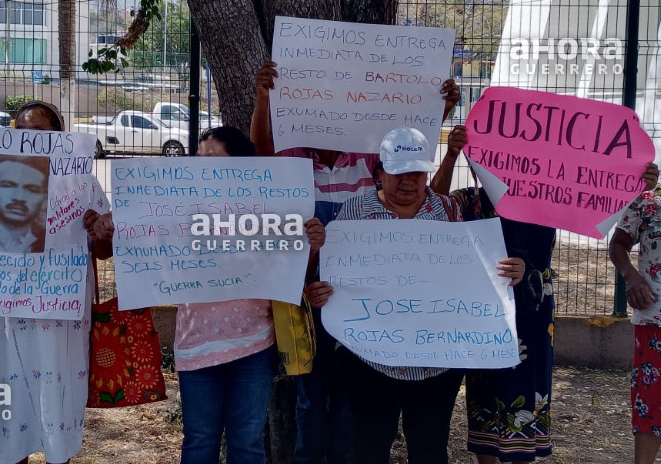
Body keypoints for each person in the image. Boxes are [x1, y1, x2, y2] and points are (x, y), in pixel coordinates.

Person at [250, 60, 463, 463]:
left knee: (353, 398)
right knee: (311, 397)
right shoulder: (293, 156)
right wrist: (263, 99)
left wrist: (442, 109)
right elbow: (262, 153)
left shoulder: (366, 156)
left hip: (364, 302)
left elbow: (407, 157)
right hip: (306, 293)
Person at [435, 126, 658, 464]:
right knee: (485, 388)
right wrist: (451, 155)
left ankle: (521, 456)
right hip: (484, 309)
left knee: (526, 384)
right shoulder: (472, 199)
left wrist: (634, 183)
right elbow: (434, 203)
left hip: (533, 307)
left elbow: (596, 206)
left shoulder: (546, 199)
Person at [306, 126, 525, 464]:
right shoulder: (353, 214)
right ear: (380, 173)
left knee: (430, 448)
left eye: (416, 173)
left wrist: (512, 272)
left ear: (427, 172)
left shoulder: (449, 211)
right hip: (369, 360)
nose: (407, 182)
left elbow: (477, 271)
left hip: (436, 364)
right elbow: (329, 280)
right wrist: (319, 292)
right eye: (398, 173)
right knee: (368, 448)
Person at [0, 101, 114, 464]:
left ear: (60, 138)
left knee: (57, 392)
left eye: (39, 133)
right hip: (4, 316)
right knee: (7, 389)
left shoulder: (82, 183)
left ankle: (61, 456)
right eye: (21, 133)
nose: (29, 141)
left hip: (59, 312)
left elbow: (103, 251)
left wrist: (100, 227)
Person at [175, 125, 326, 464]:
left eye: (212, 157)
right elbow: (148, 243)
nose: (202, 166)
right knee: (199, 443)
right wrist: (118, 224)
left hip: (254, 343)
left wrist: (311, 247)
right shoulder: (178, 204)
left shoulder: (270, 205)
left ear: (243, 164)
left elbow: (292, 274)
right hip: (195, 342)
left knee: (247, 443)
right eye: (198, 158)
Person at [609, 184, 661, 464]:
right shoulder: (647, 201)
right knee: (650, 404)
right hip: (655, 319)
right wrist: (631, 277)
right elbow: (617, 244)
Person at [0, 154, 49, 253]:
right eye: (8, 185)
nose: (19, 198)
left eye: (32, 190)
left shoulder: (53, 240)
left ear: (44, 200)